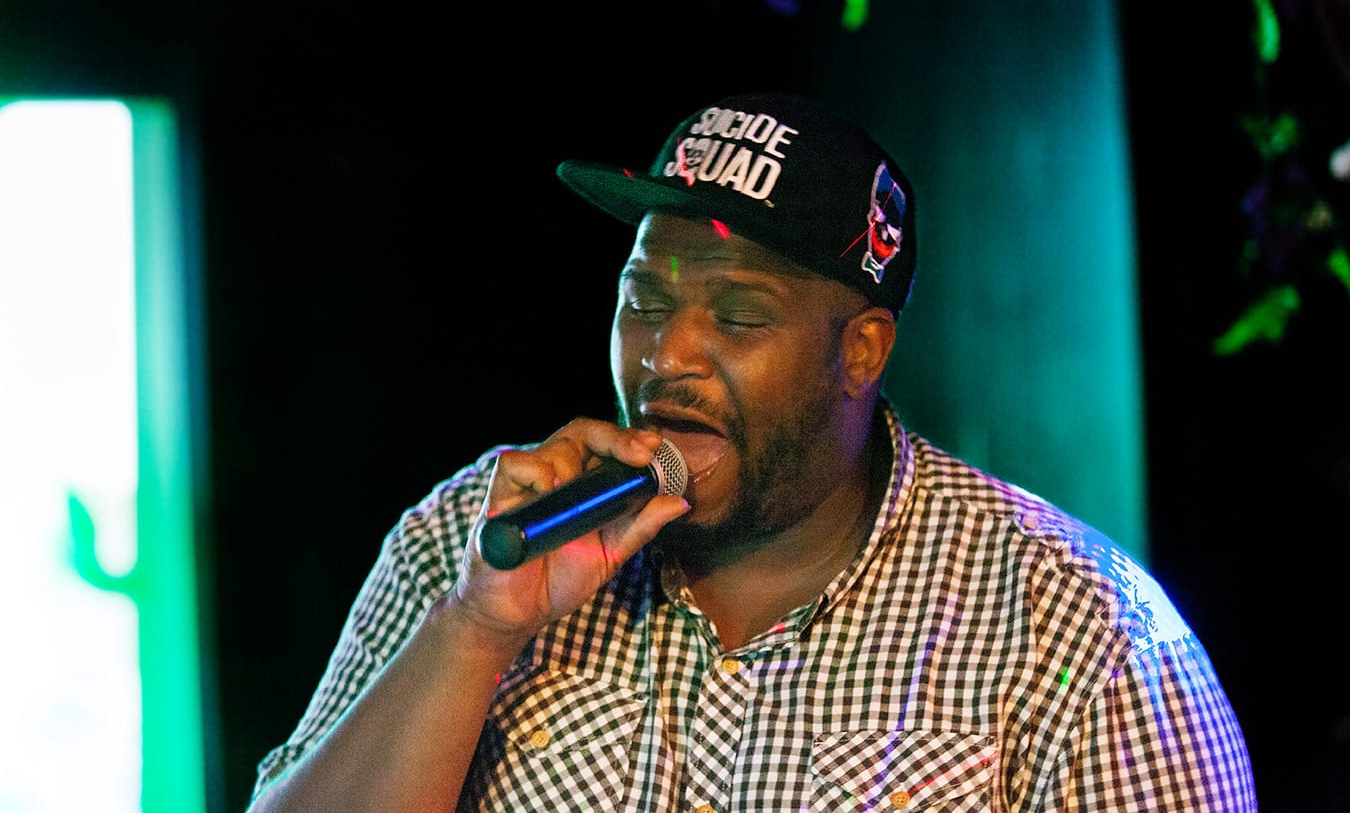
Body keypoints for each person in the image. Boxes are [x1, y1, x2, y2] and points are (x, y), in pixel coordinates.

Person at [247, 93, 1257, 812]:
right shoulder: (484, 533)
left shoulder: (1077, 629)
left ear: (859, 350)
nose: (669, 354)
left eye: (737, 312)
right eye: (643, 301)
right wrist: (475, 628)